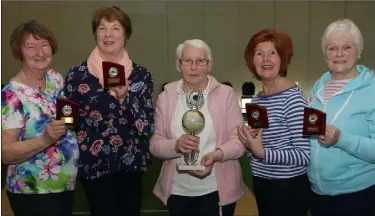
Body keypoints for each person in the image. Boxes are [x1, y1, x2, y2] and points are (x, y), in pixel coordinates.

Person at [63, 6, 154, 216]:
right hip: (93, 163)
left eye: (115, 28)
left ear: (126, 35)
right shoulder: (77, 74)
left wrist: (125, 98)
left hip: (130, 162)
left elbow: (147, 125)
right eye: (102, 28)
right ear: (95, 34)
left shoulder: (141, 75)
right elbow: (68, 121)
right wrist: (62, 122)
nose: (108, 34)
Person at [150, 39, 245, 216]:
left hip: (216, 191)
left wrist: (217, 155)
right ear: (178, 65)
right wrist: (176, 145)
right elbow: (155, 144)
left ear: (210, 65)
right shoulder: (166, 96)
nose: (194, 67)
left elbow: (239, 142)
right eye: (187, 61)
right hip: (177, 192)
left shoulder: (226, 94)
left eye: (200, 61)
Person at [1, 20, 79, 216]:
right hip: (33, 191)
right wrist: (45, 139)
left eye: (44, 44)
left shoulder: (55, 78)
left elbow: (65, 119)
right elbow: (5, 152)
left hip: (64, 185)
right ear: (19, 53)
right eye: (30, 46)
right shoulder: (12, 95)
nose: (40, 52)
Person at [238, 29, 311, 216]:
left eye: (272, 53)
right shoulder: (257, 100)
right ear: (251, 61)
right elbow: (258, 148)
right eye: (259, 54)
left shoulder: (293, 98)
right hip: (262, 182)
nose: (265, 59)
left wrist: (262, 153)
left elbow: (304, 155)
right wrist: (248, 143)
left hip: (288, 187)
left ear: (282, 59)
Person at [307, 18, 375, 216]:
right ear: (324, 54)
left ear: (359, 51)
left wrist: (341, 139)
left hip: (357, 196)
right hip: (318, 194)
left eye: (347, 47)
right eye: (332, 48)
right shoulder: (319, 88)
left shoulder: (372, 90)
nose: (339, 54)